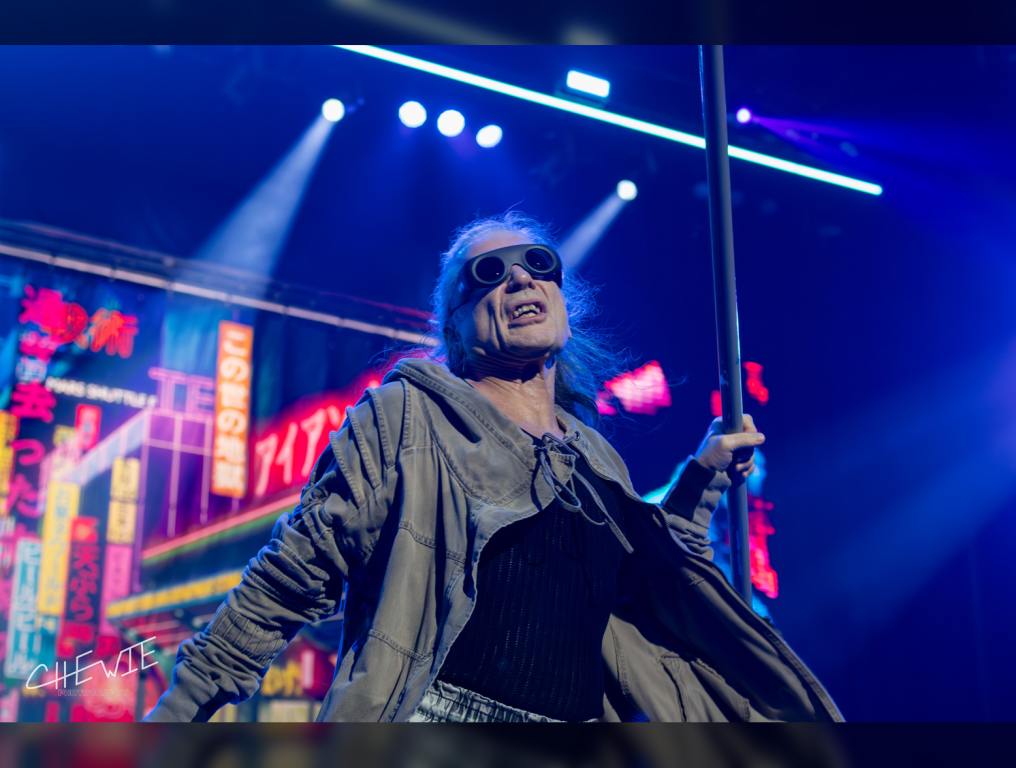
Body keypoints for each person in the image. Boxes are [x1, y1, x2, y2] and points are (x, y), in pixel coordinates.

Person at [147, 212, 843, 723]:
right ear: (455, 324)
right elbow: (290, 577)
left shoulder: (594, 458)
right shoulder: (404, 418)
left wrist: (700, 478)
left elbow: (649, 589)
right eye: (488, 273)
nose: (519, 278)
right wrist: (181, 710)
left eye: (539, 265)